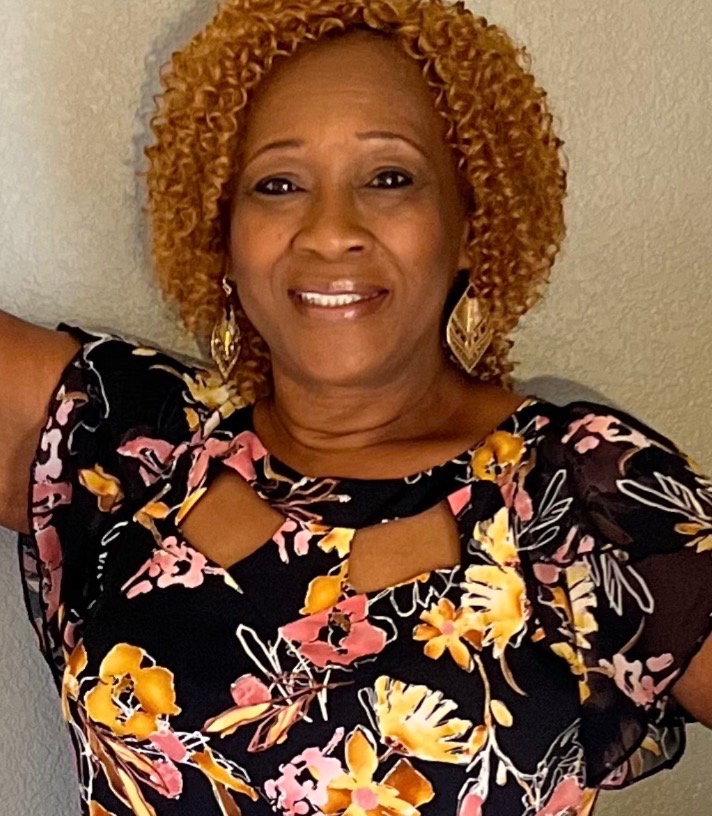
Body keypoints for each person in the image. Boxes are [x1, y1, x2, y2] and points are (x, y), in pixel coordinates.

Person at [0, 0, 710, 814]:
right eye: (278, 184)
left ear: (470, 223)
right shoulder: (134, 451)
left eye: (388, 178)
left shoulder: (577, 494)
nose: (330, 230)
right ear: (223, 237)